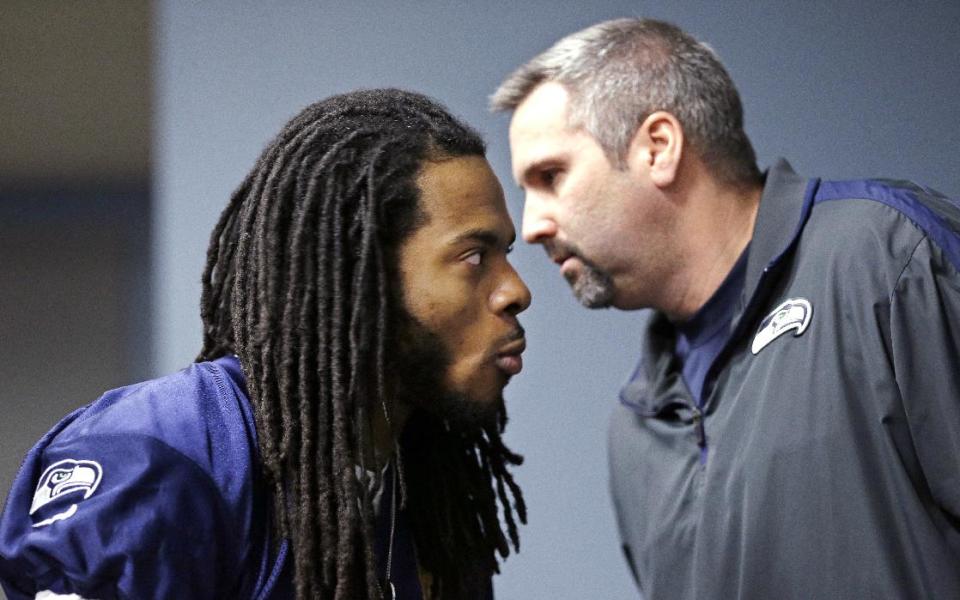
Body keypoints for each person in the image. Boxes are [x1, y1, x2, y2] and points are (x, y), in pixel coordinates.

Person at [492, 17, 960, 599]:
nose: (532, 226)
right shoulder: (638, 426)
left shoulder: (887, 259)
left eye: (551, 176)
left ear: (657, 148)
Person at [0, 89, 531, 600]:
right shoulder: (156, 454)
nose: (516, 291)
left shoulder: (424, 493)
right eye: (474, 257)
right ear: (356, 273)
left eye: (507, 255)